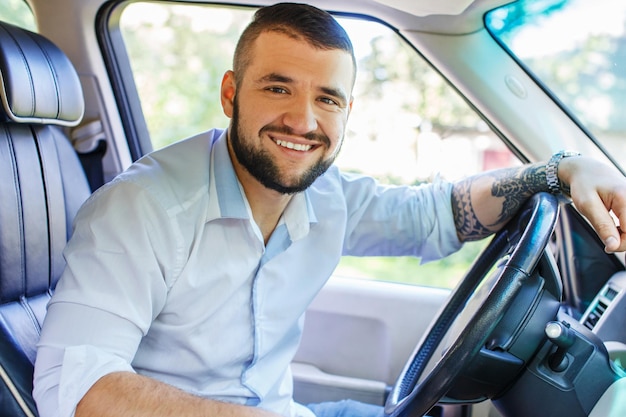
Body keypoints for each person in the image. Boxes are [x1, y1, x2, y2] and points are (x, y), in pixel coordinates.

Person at [33, 2, 626, 417]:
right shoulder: (139, 208)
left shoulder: (327, 194)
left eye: (327, 99)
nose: (303, 120)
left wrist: (562, 168)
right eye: (278, 87)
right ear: (230, 93)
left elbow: (439, 214)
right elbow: (76, 388)